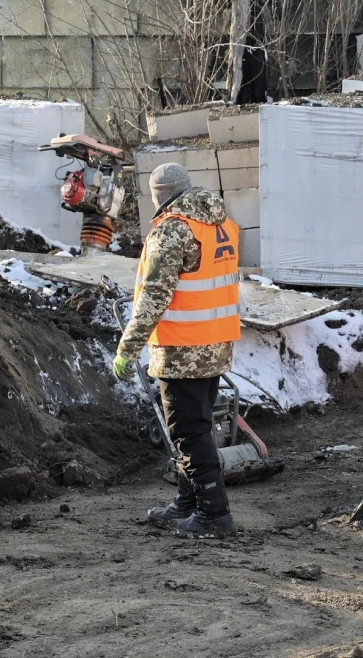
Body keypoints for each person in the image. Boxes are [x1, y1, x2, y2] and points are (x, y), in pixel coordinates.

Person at [112, 162, 241, 537]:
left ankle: (214, 515)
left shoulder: (172, 230)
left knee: (188, 432)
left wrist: (127, 348)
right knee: (198, 426)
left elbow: (154, 297)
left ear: (160, 195)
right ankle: (189, 502)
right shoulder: (220, 223)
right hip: (215, 344)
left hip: (183, 350)